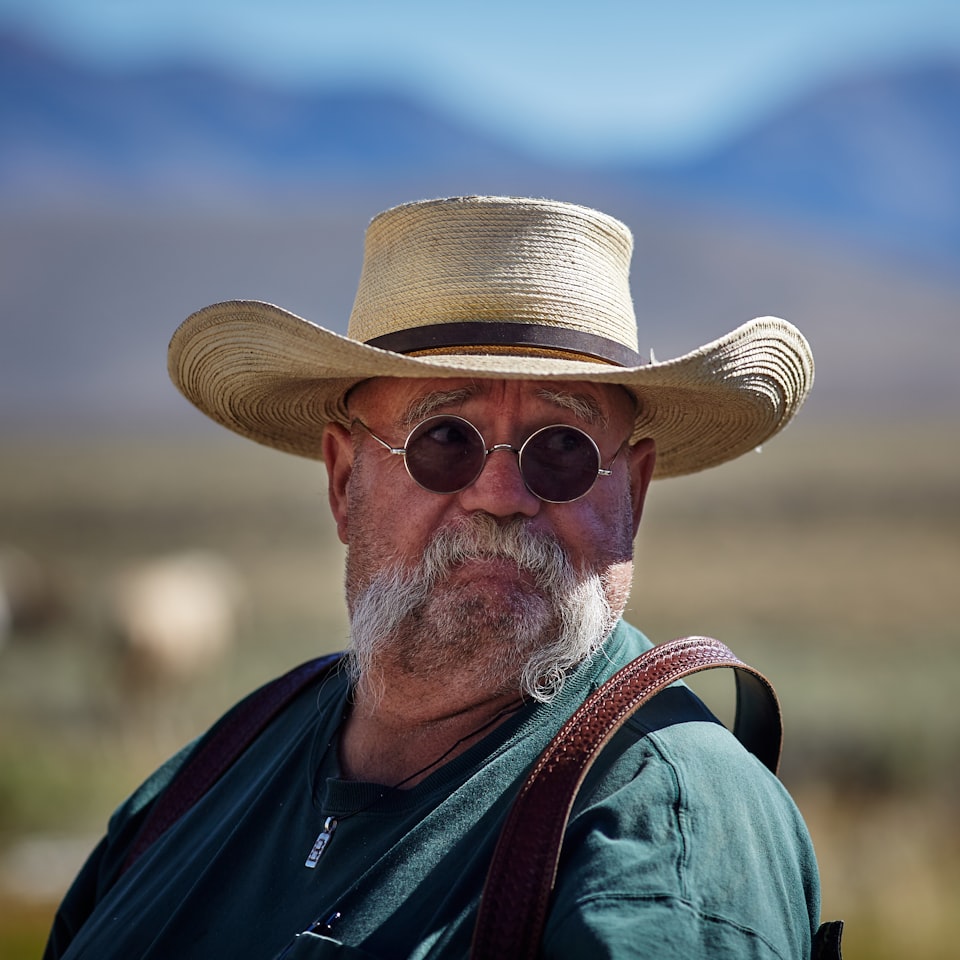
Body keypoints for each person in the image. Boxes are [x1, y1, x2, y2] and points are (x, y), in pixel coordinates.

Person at [45, 196, 824, 958]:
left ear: (634, 493)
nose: (501, 495)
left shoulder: (658, 837)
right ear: (343, 480)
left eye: (564, 448)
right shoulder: (210, 775)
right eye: (444, 439)